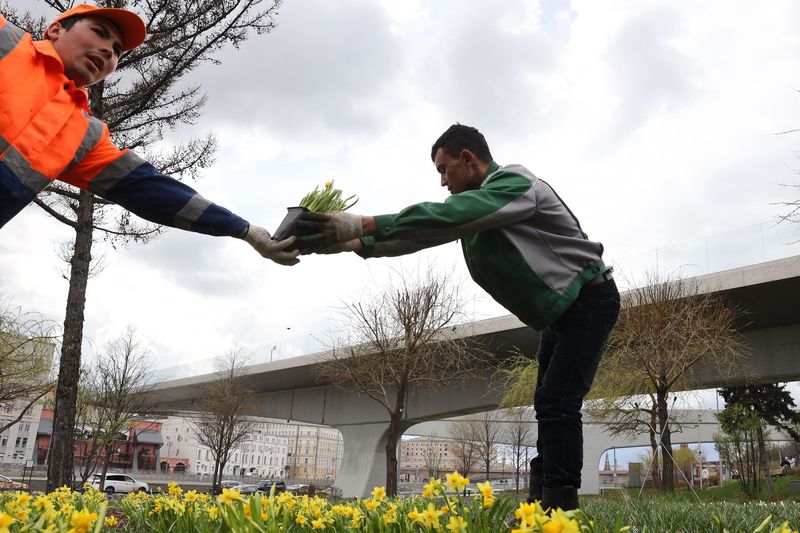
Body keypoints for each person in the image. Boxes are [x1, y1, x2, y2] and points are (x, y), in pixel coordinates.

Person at [301, 124, 621, 511]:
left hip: (589, 297)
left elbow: (449, 214)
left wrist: (366, 222)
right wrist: (355, 242)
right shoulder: (475, 216)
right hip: (564, 311)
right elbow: (423, 233)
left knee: (558, 400)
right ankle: (542, 504)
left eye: (444, 168)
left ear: (467, 159)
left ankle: (560, 507)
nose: (441, 181)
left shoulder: (515, 183)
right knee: (548, 401)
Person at [0, 3, 298, 265]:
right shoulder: (7, 42)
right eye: (100, 32)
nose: (109, 51)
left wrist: (243, 229)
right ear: (54, 30)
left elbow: (153, 190)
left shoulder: (84, 135)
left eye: (117, 50)